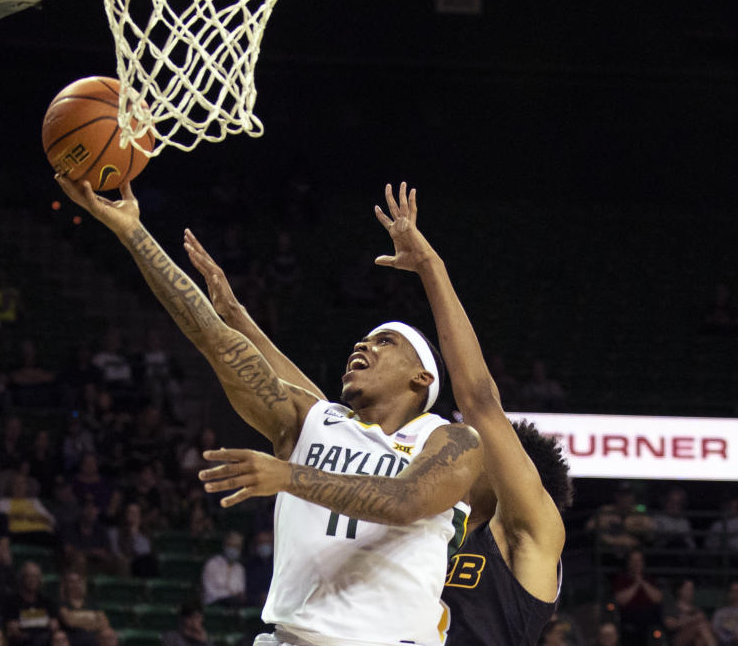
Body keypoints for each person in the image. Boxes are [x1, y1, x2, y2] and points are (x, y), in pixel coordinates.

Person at [55, 176, 484, 646]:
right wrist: (133, 234)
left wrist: (286, 477)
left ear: (422, 378)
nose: (363, 346)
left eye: (385, 341)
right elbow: (216, 343)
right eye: (363, 340)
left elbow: (407, 502)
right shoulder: (316, 420)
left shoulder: (449, 439)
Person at [195, 183, 571, 646]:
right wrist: (239, 319)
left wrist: (431, 267)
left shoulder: (531, 533)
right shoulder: (438, 523)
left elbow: (479, 401)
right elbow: (319, 419)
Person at [3, 561, 59, 646]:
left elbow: (54, 625)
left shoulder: (47, 601)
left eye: (35, 576)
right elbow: (12, 629)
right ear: (22, 578)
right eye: (28, 576)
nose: (32, 580)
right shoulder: (12, 601)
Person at [56, 570, 109, 646]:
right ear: (66, 585)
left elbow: (104, 623)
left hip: (93, 640)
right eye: (71, 581)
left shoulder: (91, 603)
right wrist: (91, 620)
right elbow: (69, 622)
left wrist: (76, 619)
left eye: (78, 581)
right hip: (72, 640)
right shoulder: (62, 603)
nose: (75, 584)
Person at [663, 579, 717, 646]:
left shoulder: (696, 609)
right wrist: (692, 619)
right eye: (688, 589)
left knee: (701, 639)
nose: (691, 592)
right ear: (679, 590)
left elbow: (707, 626)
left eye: (692, 589)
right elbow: (670, 625)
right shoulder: (673, 607)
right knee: (700, 626)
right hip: (678, 640)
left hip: (696, 639)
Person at [201, 531, 246, 606]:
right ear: (225, 546)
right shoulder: (212, 564)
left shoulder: (240, 569)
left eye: (237, 547)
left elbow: (240, 591)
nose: (233, 549)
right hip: (213, 605)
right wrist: (228, 594)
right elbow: (209, 591)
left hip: (233, 606)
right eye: (231, 546)